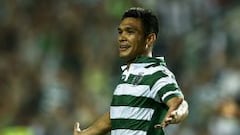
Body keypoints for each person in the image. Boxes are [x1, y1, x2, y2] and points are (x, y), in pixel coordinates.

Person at [74, 7, 189, 135]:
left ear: (149, 39)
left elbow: (179, 103)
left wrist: (176, 114)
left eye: (130, 32)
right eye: (120, 32)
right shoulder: (128, 75)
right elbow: (115, 117)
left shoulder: (157, 73)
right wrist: (85, 133)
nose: (121, 37)